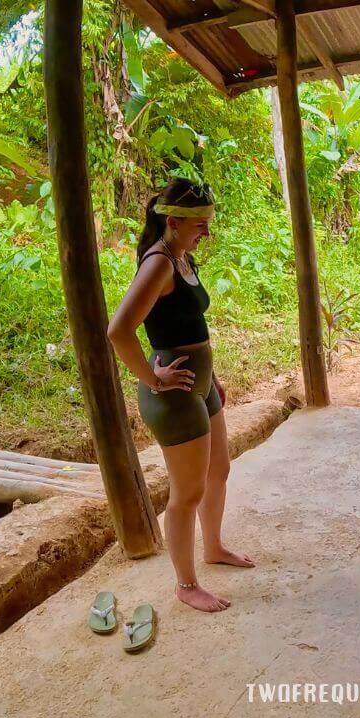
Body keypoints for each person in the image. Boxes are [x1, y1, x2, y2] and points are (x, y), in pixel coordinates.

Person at [107, 179, 254, 614]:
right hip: (174, 393)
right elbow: (119, 331)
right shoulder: (159, 264)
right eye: (200, 225)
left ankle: (213, 547)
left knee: (220, 470)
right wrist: (153, 378)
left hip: (199, 384)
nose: (206, 232)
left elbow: (186, 326)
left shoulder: (181, 255)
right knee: (186, 492)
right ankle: (186, 584)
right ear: (172, 222)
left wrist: (213, 377)